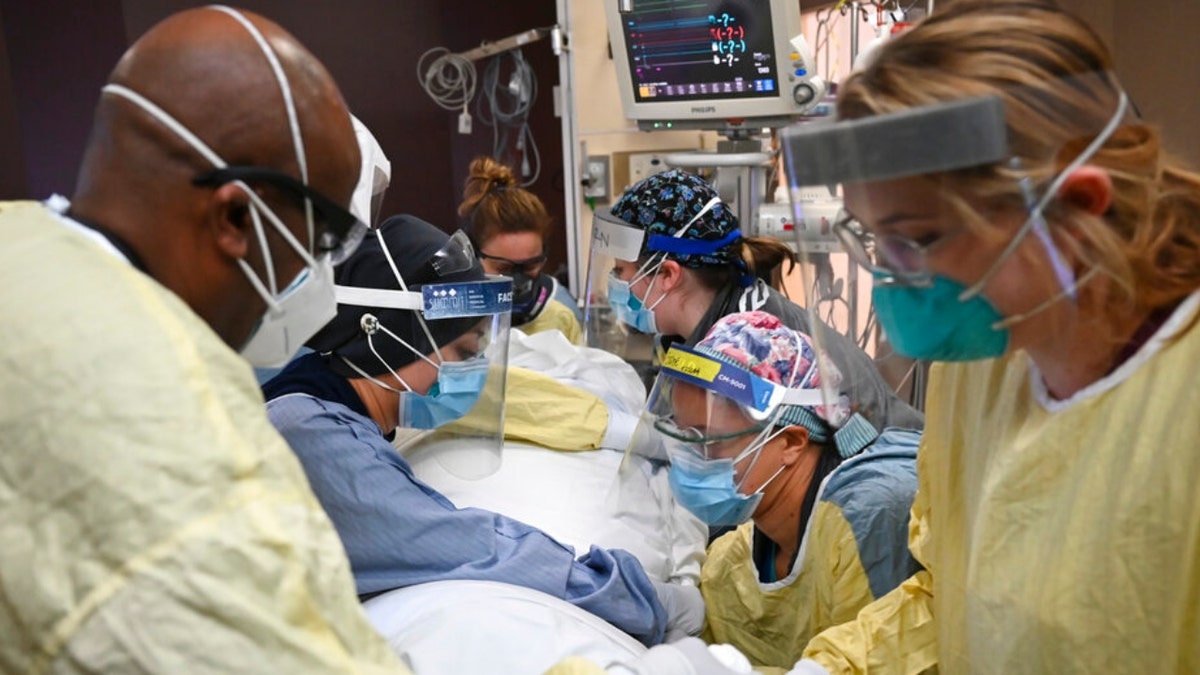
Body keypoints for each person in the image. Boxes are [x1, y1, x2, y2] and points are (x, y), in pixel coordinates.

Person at [777, 1, 1200, 673]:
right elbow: (954, 597)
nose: (889, 277)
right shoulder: (986, 353)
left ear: (1075, 207)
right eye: (871, 235)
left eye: (915, 238)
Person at [0, 7, 405, 672]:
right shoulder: (179, 425)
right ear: (237, 216)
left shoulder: (19, 243)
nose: (321, 275)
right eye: (322, 242)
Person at [263, 213, 703, 647]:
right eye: (464, 351)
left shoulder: (331, 412)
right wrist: (647, 601)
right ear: (382, 333)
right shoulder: (310, 438)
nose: (474, 373)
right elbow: (478, 550)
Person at [643, 311, 919, 670]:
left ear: (790, 441)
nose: (688, 462)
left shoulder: (868, 519)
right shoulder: (731, 560)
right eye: (683, 437)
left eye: (707, 442)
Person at [588, 168, 923, 434]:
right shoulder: (708, 323)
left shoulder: (750, 352)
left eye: (621, 271)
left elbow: (746, 472)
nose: (615, 284)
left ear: (668, 275)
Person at [459, 155, 584, 341]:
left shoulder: (563, 313)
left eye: (530, 266)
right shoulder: (458, 313)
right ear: (474, 255)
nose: (517, 282)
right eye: (503, 268)